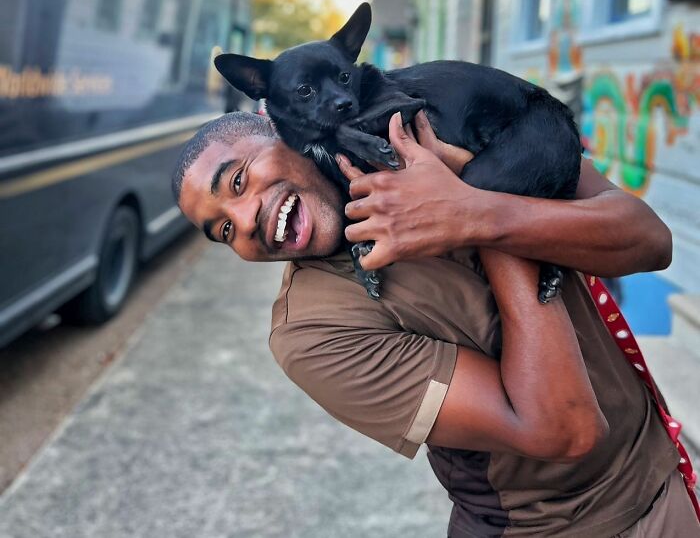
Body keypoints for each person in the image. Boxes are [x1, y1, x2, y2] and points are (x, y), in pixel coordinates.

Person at [173, 109, 699, 537]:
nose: (245, 222)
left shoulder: (442, 122)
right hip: (560, 528)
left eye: (239, 181)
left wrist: (478, 207)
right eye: (222, 231)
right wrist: (475, 210)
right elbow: (566, 430)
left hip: (666, 475)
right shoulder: (313, 333)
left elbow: (650, 241)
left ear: (285, 128)